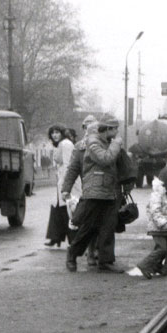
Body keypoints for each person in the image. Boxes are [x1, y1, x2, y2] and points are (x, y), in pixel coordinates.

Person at [62, 115, 125, 273]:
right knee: (88, 227)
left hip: (109, 190)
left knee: (108, 227)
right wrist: (66, 189)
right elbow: (105, 159)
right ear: (107, 129)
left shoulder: (107, 142)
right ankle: (73, 253)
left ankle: (105, 260)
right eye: (115, 129)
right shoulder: (92, 143)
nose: (118, 133)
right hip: (95, 191)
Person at [45, 124, 78, 247]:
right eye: (52, 133)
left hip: (67, 182)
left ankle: (72, 239)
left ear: (62, 133)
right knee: (58, 209)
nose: (54, 135)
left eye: (57, 132)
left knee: (68, 210)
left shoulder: (65, 144)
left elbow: (68, 165)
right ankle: (56, 237)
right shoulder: (61, 144)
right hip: (62, 181)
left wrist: (65, 185)